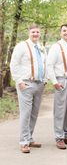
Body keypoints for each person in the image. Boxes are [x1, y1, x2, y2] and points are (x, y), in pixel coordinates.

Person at [10, 24, 46, 153]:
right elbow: (14, 63)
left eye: (37, 32)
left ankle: (30, 138)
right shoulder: (22, 46)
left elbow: (43, 64)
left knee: (34, 113)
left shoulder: (41, 48)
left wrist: (45, 80)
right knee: (26, 113)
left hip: (39, 84)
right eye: (33, 32)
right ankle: (24, 141)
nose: (35, 34)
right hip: (26, 84)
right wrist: (19, 81)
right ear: (29, 33)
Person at [47, 23, 67, 150]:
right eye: (64, 30)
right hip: (61, 80)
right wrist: (54, 81)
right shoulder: (56, 47)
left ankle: (66, 134)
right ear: (60, 33)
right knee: (60, 109)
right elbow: (49, 65)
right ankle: (59, 137)